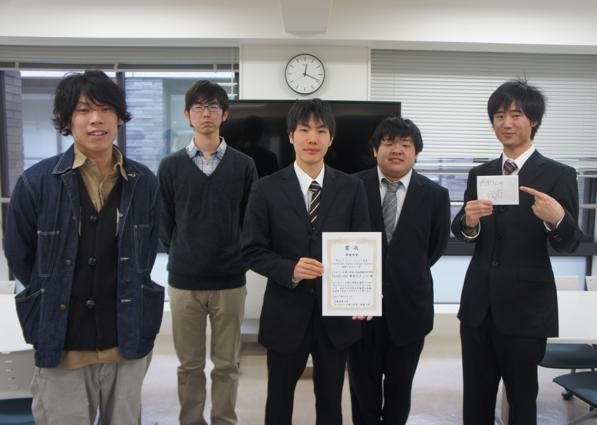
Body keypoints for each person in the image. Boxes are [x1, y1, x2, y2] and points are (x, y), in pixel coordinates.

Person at [3, 70, 164, 424]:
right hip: (63, 340)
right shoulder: (36, 182)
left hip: (126, 337)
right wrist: (53, 289)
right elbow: (20, 255)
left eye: (106, 109)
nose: (96, 119)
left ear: (119, 117)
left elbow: (147, 252)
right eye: (83, 110)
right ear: (66, 120)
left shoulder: (144, 182)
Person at [451, 79, 583, 425]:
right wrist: (468, 221)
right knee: (475, 398)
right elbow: (462, 232)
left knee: (522, 400)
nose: (506, 123)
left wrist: (557, 218)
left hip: (527, 308)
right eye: (499, 116)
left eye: (515, 115)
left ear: (533, 120)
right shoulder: (480, 173)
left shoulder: (559, 175)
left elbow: (569, 242)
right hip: (479, 305)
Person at [241, 98, 370, 425]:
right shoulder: (265, 189)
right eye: (304, 130)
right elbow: (252, 250)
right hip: (285, 314)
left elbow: (363, 247)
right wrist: (290, 270)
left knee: (330, 403)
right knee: (278, 401)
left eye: (321, 131)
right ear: (290, 136)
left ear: (331, 138)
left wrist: (366, 292)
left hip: (336, 318)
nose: (313, 138)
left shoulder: (352, 188)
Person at [158, 80, 257, 425]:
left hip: (229, 280)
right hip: (184, 281)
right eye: (198, 107)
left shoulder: (244, 165)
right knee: (189, 365)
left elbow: (250, 221)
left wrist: (236, 256)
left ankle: (223, 420)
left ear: (224, 114)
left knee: (227, 364)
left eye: (213, 106)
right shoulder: (170, 166)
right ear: (187, 115)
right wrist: (184, 253)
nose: (206, 113)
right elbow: (164, 223)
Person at [347, 116, 451, 424]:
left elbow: (434, 249)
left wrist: (400, 271)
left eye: (405, 145)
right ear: (374, 150)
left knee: (400, 391)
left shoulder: (435, 195)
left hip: (410, 310)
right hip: (360, 310)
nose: (397, 150)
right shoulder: (350, 187)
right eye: (389, 143)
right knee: (362, 392)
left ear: (416, 153)